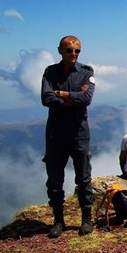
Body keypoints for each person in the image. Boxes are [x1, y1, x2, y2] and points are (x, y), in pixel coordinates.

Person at [41, 35, 95, 238]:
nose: (73, 54)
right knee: (55, 180)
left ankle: (87, 220)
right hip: (56, 134)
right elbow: (46, 98)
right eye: (69, 50)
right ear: (60, 51)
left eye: (77, 51)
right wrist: (73, 97)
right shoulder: (50, 71)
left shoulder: (86, 72)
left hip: (79, 134)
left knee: (83, 178)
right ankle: (58, 221)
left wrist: (61, 94)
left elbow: (87, 98)